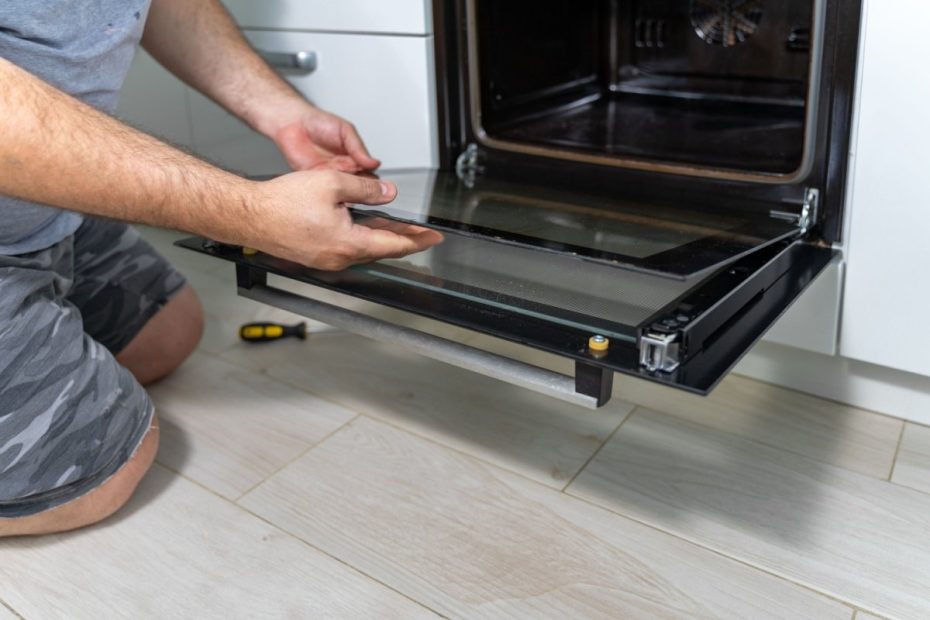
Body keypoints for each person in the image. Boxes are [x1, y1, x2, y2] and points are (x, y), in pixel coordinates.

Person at [0, 0, 443, 537]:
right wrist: (249, 213)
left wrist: (282, 111)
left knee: (170, 331)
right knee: (100, 475)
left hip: (40, 212)